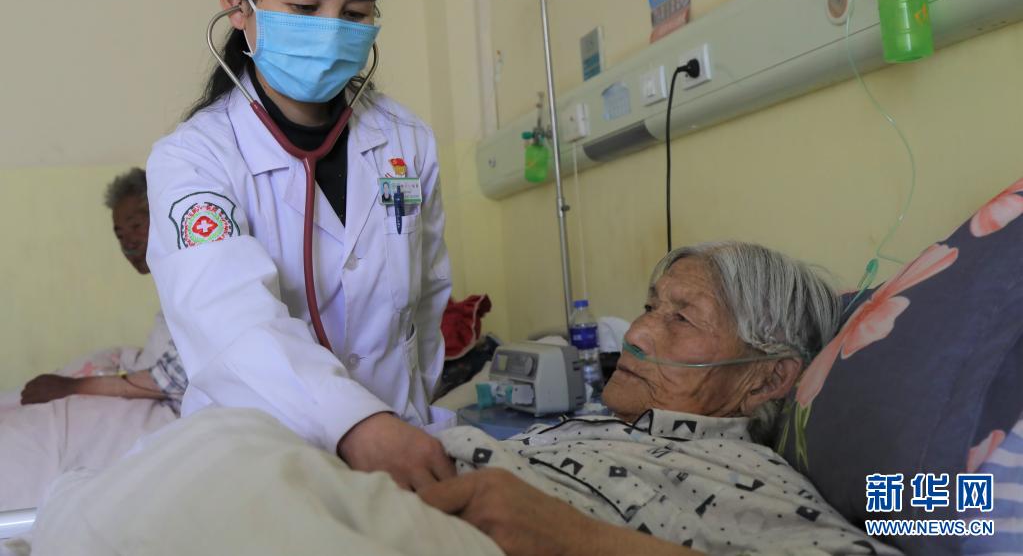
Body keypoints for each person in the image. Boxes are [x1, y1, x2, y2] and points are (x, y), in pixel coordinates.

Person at [23, 242, 896, 556]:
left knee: (222, 463)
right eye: (649, 305)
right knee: (211, 453)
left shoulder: (754, 480)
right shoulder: (599, 426)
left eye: (681, 318)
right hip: (405, 503)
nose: (637, 330)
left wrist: (578, 542)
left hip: (464, 539)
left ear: (767, 377)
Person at [144, 0, 453, 492]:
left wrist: (407, 421)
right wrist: (358, 424)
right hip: (258, 472)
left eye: (355, 13)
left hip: (401, 451)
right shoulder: (194, 159)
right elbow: (231, 322)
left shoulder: (406, 140)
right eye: (306, 7)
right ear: (238, 1)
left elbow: (426, 303)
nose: (331, 31)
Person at [0, 168, 185, 512]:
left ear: (164, 215)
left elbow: (171, 380)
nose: (128, 242)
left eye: (136, 225)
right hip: (150, 396)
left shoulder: (194, 282)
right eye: (119, 234)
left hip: (171, 415)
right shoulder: (173, 288)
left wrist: (74, 387)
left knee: (49, 423)